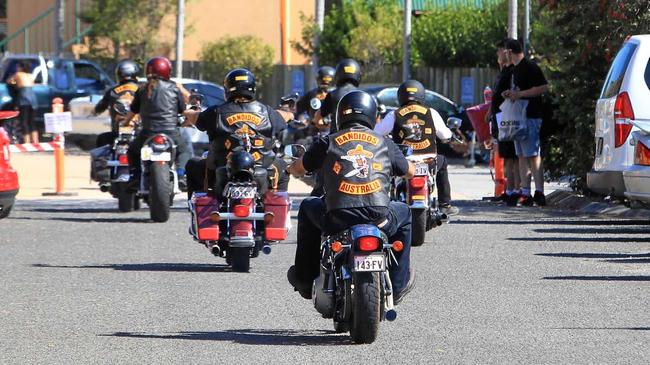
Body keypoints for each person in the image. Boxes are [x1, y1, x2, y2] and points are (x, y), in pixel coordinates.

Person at [286, 90, 416, 305]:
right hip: (379, 216)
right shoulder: (384, 143)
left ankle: (304, 278)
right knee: (404, 212)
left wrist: (290, 168)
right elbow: (409, 172)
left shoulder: (327, 141)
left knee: (308, 206)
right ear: (372, 114)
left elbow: (300, 169)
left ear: (340, 116)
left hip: (337, 218)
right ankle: (398, 282)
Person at [183, 68, 289, 199]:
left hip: (222, 168)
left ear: (228, 89)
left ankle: (197, 212)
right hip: (260, 168)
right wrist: (288, 111)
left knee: (193, 165)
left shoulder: (216, 112)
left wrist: (191, 109)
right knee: (283, 167)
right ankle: (278, 211)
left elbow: (194, 117)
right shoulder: (267, 112)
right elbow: (285, 117)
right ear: (252, 88)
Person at [374, 79, 459, 216]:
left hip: (404, 162)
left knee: (385, 169)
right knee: (442, 162)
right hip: (428, 161)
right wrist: (450, 136)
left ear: (401, 95)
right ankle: (444, 204)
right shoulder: (431, 112)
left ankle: (383, 203)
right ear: (421, 95)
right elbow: (444, 134)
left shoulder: (395, 114)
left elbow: (377, 133)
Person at [123, 56, 192, 190]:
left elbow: (132, 111)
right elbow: (183, 110)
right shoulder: (174, 89)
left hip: (147, 133)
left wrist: (125, 122)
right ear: (167, 71)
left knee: (132, 151)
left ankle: (135, 177)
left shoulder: (142, 89)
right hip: (171, 133)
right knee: (184, 151)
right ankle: (181, 174)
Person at [502, 39, 549, 206]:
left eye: (505, 51)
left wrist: (520, 94)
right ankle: (525, 191)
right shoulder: (515, 70)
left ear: (509, 51)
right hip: (518, 118)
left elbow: (543, 87)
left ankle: (540, 191)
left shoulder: (530, 66)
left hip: (531, 115)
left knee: (533, 154)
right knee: (521, 155)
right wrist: (510, 93)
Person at [488, 39, 526, 206]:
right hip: (500, 118)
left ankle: (518, 190)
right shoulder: (504, 71)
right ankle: (509, 190)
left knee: (514, 156)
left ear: (507, 52)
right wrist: (490, 112)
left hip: (510, 118)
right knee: (507, 156)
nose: (497, 55)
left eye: (500, 51)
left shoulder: (514, 71)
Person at [94, 59, 141, 148]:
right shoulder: (143, 90)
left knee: (101, 140)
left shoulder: (112, 91)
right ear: (135, 74)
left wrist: (94, 111)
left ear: (119, 74)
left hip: (117, 134)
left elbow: (99, 108)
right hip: (138, 135)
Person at [313, 59, 361, 134]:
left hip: (337, 141)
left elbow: (317, 120)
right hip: (362, 140)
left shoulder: (332, 95)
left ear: (337, 76)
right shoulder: (365, 96)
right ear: (358, 75)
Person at [7, 61, 38, 143]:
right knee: (32, 121)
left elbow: (9, 81)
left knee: (24, 121)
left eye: (18, 67)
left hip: (24, 98)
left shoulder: (18, 74)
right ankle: (36, 142)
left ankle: (27, 142)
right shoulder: (30, 75)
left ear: (20, 67)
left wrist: (14, 83)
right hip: (33, 98)